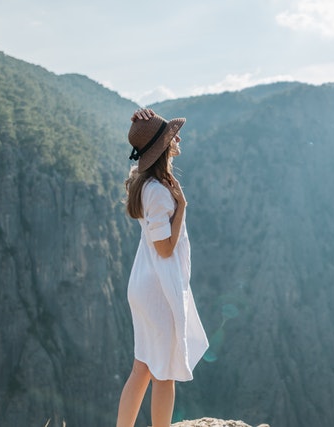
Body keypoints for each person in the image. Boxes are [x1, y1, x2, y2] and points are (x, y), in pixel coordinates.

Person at [116, 108, 209, 427]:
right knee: (164, 373)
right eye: (171, 135)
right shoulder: (157, 192)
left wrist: (145, 127)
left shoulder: (146, 183)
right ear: (160, 147)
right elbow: (165, 249)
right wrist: (181, 208)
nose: (178, 138)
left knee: (142, 367)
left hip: (145, 284)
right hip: (158, 291)